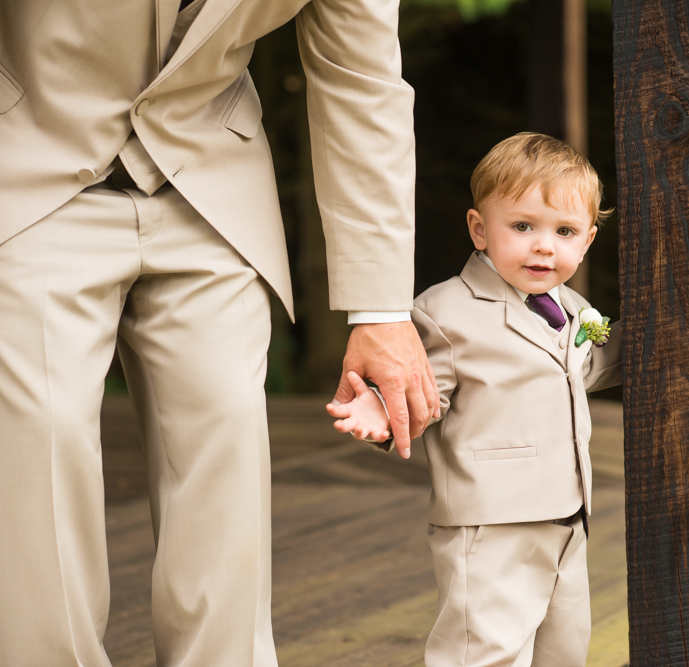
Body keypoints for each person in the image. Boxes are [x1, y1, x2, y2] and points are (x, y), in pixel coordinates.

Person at [0, 1, 437, 665]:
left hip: (209, 176)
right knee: (40, 435)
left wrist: (381, 310)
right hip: (27, 158)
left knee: (225, 430)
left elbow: (361, 77)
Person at [330, 132, 622, 666]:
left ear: (587, 243)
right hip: (490, 521)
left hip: (568, 514)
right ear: (479, 229)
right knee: (484, 651)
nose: (543, 245)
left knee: (564, 650)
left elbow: (583, 366)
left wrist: (657, 341)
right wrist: (379, 405)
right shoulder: (443, 311)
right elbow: (424, 386)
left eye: (564, 232)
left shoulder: (574, 308)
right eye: (523, 226)